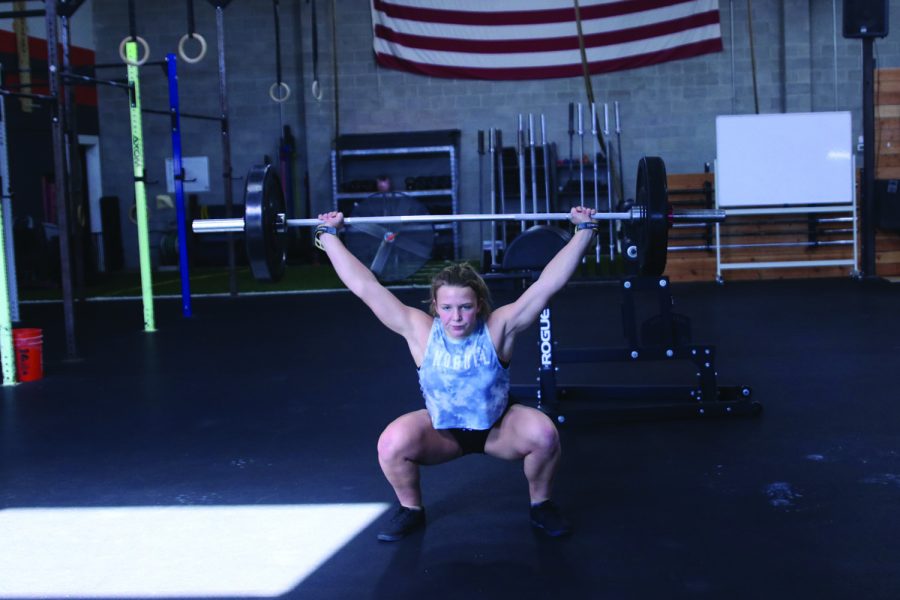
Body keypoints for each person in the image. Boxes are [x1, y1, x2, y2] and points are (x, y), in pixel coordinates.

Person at [314, 206, 598, 541]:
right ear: (435, 307)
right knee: (391, 443)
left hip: (498, 428)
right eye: (447, 308)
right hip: (442, 432)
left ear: (478, 304)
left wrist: (585, 230)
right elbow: (365, 286)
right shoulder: (419, 331)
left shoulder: (498, 327)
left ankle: (542, 505)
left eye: (465, 306)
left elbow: (548, 284)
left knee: (545, 435)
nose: (457, 317)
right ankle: (410, 509)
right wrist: (328, 235)